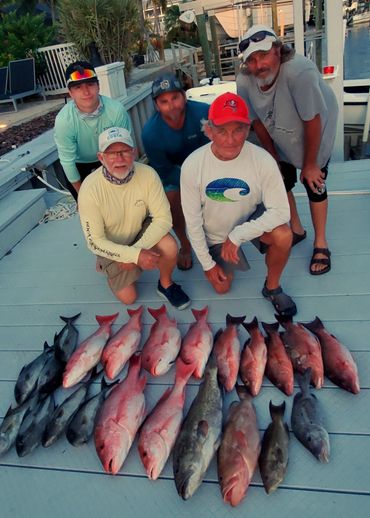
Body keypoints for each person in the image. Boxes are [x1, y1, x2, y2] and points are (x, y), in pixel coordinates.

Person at [180, 92, 297, 317]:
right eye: (222, 131)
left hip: (248, 220)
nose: (230, 140)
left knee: (284, 235)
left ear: (248, 129)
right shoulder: (192, 165)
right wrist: (207, 265)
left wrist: (237, 235)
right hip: (214, 234)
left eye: (238, 130)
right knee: (222, 288)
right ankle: (221, 254)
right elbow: (192, 221)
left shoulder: (263, 160)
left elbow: (282, 211)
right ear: (209, 130)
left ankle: (272, 286)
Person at [236, 25, 338, 275]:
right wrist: (273, 157)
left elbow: (312, 119)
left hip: (314, 125)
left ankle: (321, 242)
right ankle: (297, 229)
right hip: (276, 127)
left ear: (279, 50)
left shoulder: (299, 72)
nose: (258, 65)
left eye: (264, 55)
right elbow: (256, 122)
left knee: (314, 181)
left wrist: (311, 163)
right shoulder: (244, 81)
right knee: (282, 179)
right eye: (251, 59)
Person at [78, 126, 191, 311]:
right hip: (110, 243)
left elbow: (163, 219)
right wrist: (132, 256)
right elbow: (94, 242)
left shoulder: (148, 174)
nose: (119, 158)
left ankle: (166, 284)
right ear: (101, 158)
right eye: (111, 153)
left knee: (170, 245)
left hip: (139, 231)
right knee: (129, 298)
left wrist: (135, 253)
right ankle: (106, 263)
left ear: (134, 152)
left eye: (124, 151)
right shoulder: (89, 188)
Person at [141, 73, 210, 271]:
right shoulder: (150, 133)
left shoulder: (204, 113)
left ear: (184, 96)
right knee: (170, 198)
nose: (171, 105)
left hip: (206, 166)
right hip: (174, 173)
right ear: (156, 105)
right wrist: (191, 185)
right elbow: (163, 170)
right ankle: (185, 245)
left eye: (175, 97)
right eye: (164, 101)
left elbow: (218, 148)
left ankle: (217, 239)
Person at [54, 61, 132, 200]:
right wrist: (82, 195)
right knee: (89, 206)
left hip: (110, 158)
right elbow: (67, 162)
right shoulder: (64, 121)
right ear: (70, 93)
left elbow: (127, 148)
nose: (86, 92)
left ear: (98, 86)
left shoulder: (116, 111)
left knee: (120, 200)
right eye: (78, 87)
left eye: (90, 84)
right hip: (79, 165)